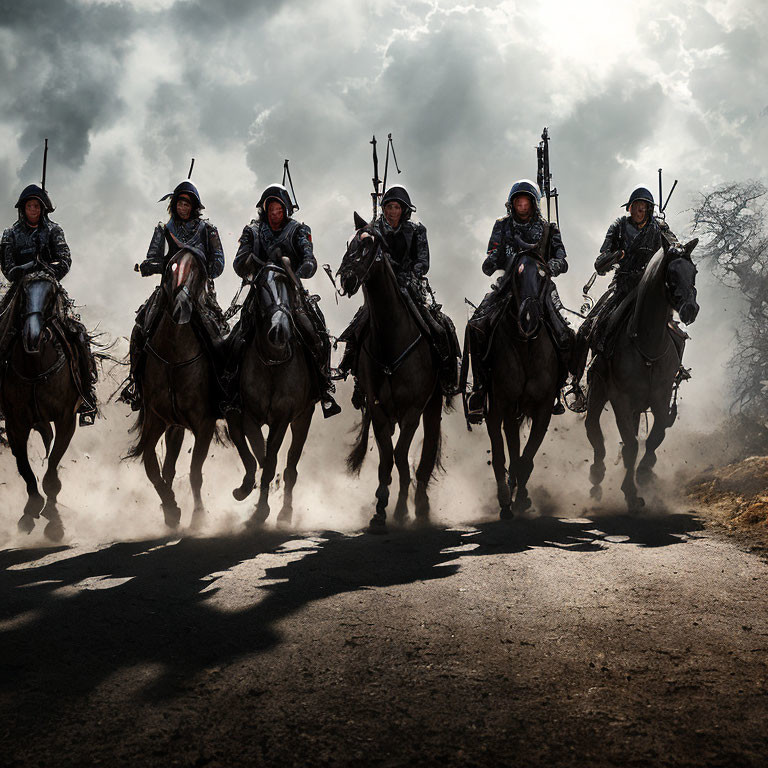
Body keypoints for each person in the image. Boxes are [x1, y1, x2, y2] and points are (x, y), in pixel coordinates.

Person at [223, 183, 341, 418]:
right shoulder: (252, 231)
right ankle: (231, 393)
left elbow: (310, 260)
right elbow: (239, 263)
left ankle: (324, 387)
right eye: (271, 211)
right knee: (234, 341)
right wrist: (257, 261)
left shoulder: (298, 230)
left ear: (286, 210)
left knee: (317, 334)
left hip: (291, 295)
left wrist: (299, 267)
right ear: (265, 211)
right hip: (260, 295)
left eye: (279, 210)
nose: (275, 215)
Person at [337, 185, 460, 408]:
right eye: (389, 207)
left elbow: (423, 263)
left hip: (410, 290)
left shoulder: (416, 231)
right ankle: (355, 375)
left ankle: (447, 377)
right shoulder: (372, 232)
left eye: (397, 207)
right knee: (357, 327)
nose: (393, 211)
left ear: (404, 210)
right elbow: (360, 259)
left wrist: (407, 276)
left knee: (440, 328)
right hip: (380, 293)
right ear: (383, 208)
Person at [465, 179, 573, 422]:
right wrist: (492, 261)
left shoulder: (549, 229)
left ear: (533, 204)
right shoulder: (501, 226)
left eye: (525, 202)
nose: (522, 205)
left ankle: (558, 388)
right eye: (518, 202)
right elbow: (493, 252)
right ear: (511, 204)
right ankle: (480, 390)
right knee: (475, 326)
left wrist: (552, 265)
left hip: (540, 289)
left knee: (566, 333)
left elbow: (562, 258)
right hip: (507, 288)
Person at [569, 185, 686, 409]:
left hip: (652, 291)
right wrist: (616, 255)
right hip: (622, 287)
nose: (639, 212)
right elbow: (601, 261)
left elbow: (677, 250)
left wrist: (673, 245)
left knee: (678, 333)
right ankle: (579, 384)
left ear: (650, 210)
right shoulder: (619, 226)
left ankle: (674, 373)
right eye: (635, 207)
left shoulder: (659, 227)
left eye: (643, 208)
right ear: (629, 207)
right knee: (587, 329)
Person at [120, 180, 228, 410]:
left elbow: (218, 264)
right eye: (180, 203)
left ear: (194, 206)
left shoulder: (208, 230)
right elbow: (153, 257)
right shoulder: (163, 229)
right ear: (174, 204)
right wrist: (151, 266)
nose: (183, 207)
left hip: (198, 294)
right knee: (141, 327)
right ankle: (136, 383)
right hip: (167, 292)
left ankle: (224, 388)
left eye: (187, 204)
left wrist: (198, 262)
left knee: (220, 337)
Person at [0, 184, 98, 425]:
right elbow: (7, 267)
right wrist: (24, 269)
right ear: (22, 208)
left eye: (36, 206)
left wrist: (48, 269)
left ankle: (87, 394)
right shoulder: (10, 234)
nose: (33, 209)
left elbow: (65, 260)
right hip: (19, 291)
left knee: (78, 333)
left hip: (49, 289)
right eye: (29, 206)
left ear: (43, 209)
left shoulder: (54, 231)